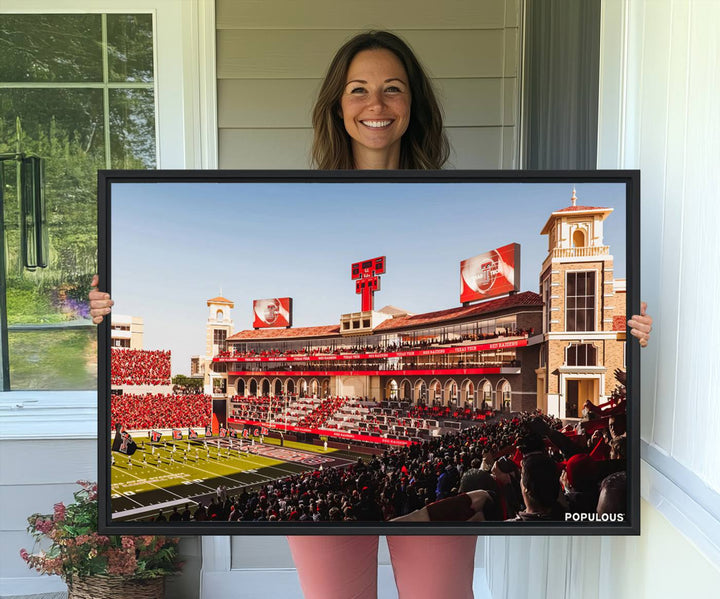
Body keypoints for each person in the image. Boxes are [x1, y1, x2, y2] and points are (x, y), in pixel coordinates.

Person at [90, 29, 654, 599]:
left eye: (393, 89)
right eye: (358, 89)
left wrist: (627, 334)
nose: (376, 104)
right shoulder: (300, 191)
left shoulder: (451, 193)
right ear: (338, 105)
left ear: (414, 105)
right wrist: (101, 310)